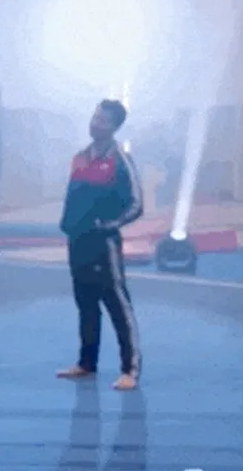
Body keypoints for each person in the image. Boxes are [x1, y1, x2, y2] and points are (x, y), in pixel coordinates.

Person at [57, 99, 144, 391]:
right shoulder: (80, 158)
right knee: (85, 304)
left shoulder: (120, 160)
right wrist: (68, 225)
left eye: (102, 121)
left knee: (117, 305)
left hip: (104, 245)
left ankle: (130, 370)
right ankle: (86, 363)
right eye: (94, 118)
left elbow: (136, 204)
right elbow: (72, 196)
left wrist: (108, 225)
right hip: (77, 241)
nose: (95, 124)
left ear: (114, 127)